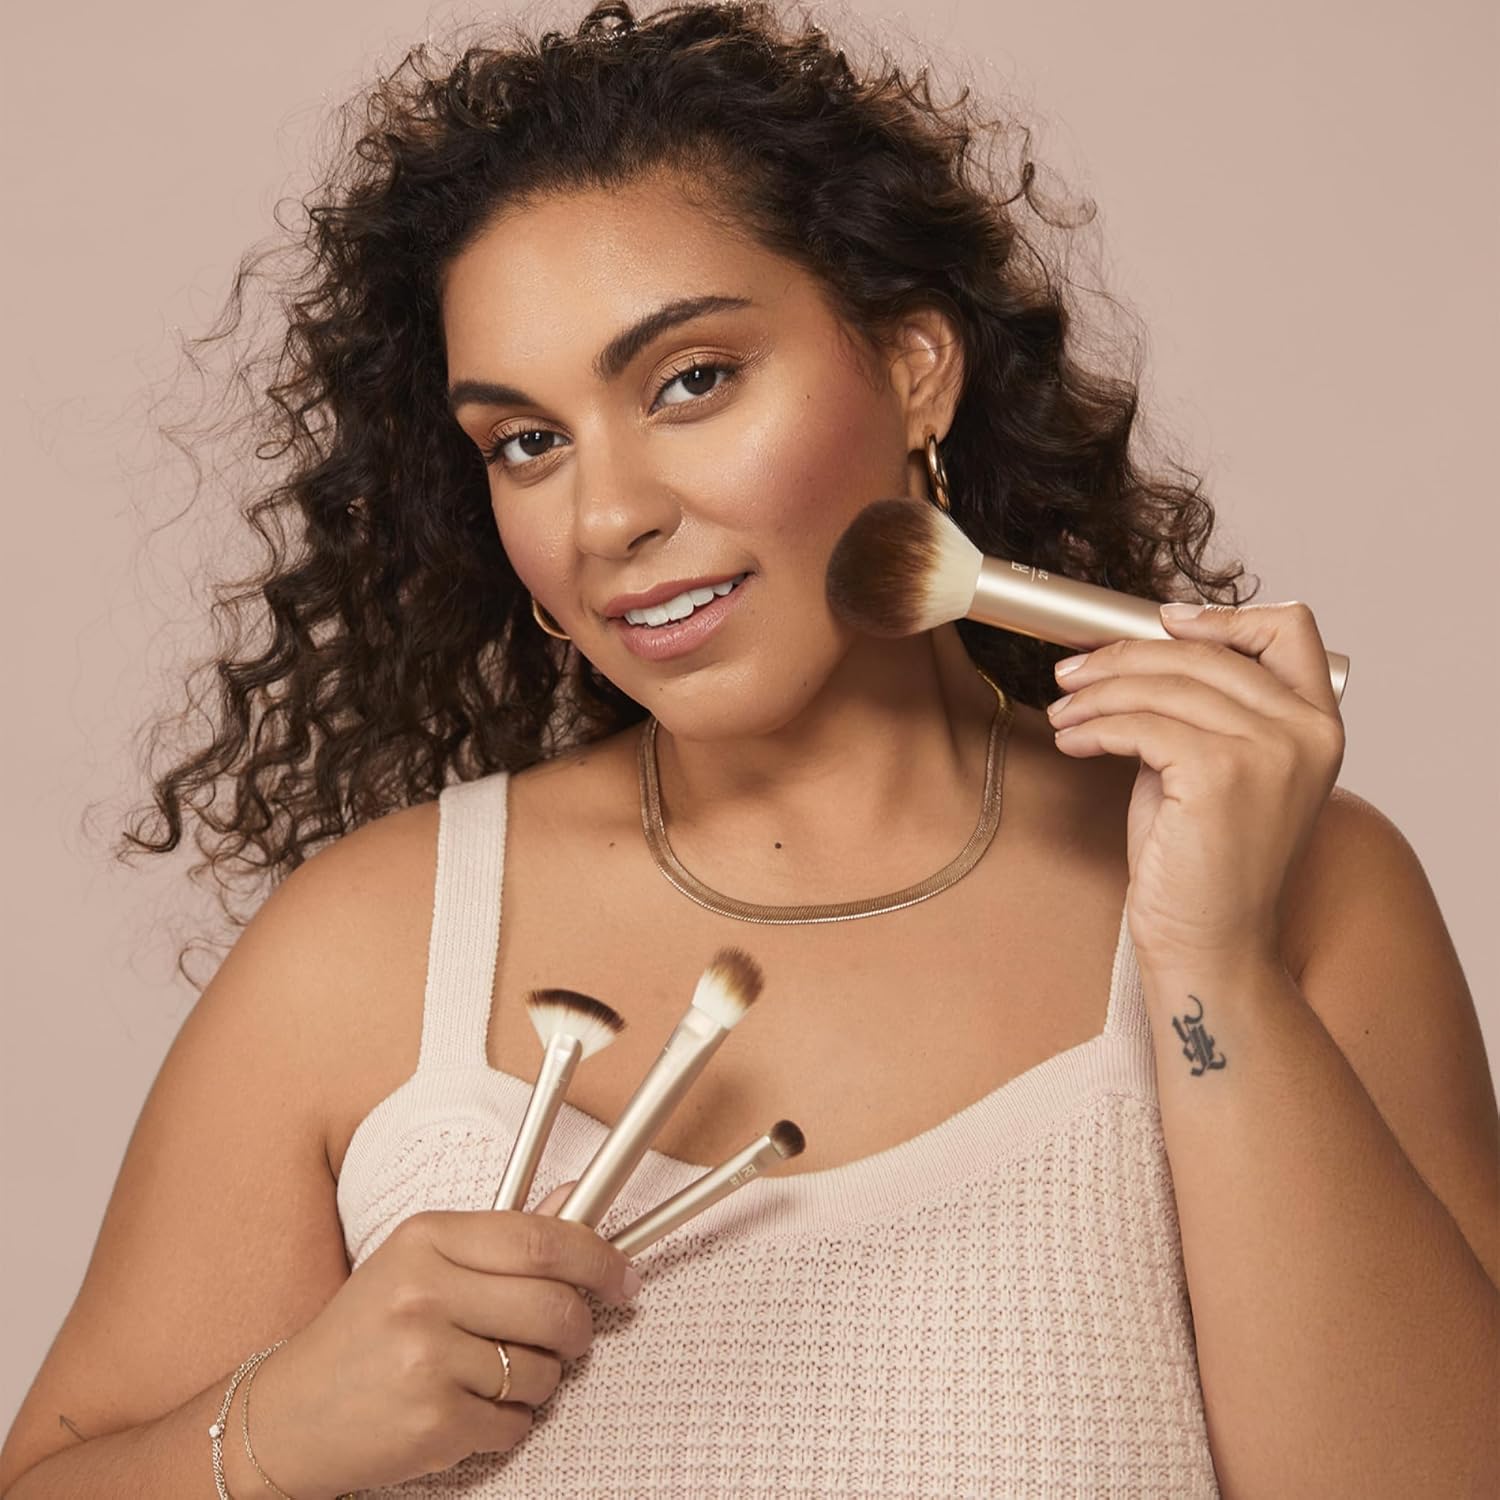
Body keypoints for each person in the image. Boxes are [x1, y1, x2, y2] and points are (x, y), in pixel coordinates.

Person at [4, 2, 1496, 1497]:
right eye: (528, 441)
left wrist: (1213, 962)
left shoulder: (1303, 886)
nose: (608, 518)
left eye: (692, 381)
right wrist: (276, 1431)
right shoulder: (376, 947)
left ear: (915, 367)